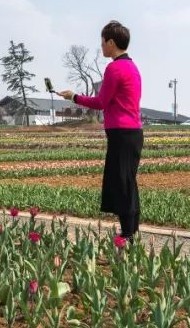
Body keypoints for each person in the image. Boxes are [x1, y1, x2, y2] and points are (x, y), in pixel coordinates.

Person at [59, 20, 143, 242]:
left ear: (111, 42)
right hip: (133, 132)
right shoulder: (133, 67)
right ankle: (131, 231)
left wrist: (74, 97)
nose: (102, 46)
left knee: (122, 183)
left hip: (121, 133)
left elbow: (102, 102)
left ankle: (127, 234)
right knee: (128, 181)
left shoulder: (115, 68)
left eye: (103, 42)